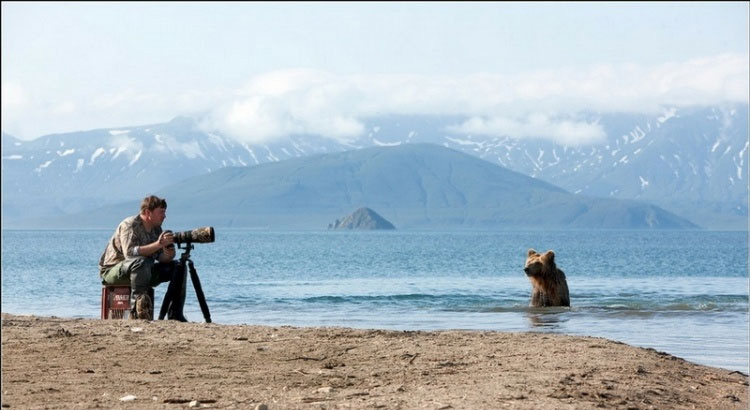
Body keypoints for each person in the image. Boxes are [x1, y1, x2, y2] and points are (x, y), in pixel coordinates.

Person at [99, 195, 186, 320]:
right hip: (112, 271)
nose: (164, 216)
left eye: (164, 212)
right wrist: (158, 244)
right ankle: (137, 309)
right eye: (161, 212)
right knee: (141, 262)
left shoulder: (156, 229)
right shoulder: (130, 225)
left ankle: (175, 313)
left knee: (178, 267)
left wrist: (169, 254)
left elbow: (160, 257)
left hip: (143, 270)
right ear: (147, 212)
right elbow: (129, 253)